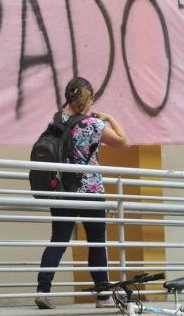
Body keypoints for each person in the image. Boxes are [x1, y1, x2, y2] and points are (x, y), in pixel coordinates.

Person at [34, 76, 130, 310]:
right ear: (89, 100)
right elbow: (123, 142)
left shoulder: (57, 120)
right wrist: (110, 118)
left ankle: (42, 290)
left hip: (61, 191)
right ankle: (102, 296)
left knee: (58, 240)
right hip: (90, 191)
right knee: (97, 242)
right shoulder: (94, 125)